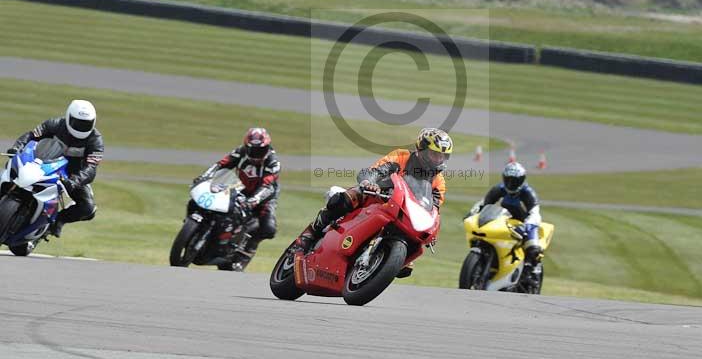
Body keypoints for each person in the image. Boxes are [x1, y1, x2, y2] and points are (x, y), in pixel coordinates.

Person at [292, 127, 453, 278]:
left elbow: (434, 209)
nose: (438, 160)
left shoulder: (439, 182)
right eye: (434, 154)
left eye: (442, 156)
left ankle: (381, 261)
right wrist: (370, 182)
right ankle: (310, 234)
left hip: (405, 213)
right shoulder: (402, 156)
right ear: (421, 150)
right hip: (377, 195)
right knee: (345, 199)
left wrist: (432, 231)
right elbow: (376, 170)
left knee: (408, 261)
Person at [6, 100, 104, 238]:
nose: (81, 127)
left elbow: (91, 168)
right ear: (68, 117)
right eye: (77, 122)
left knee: (88, 208)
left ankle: (58, 220)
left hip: (71, 175)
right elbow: (31, 135)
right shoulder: (55, 124)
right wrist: (17, 147)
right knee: (10, 170)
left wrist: (74, 181)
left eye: (85, 124)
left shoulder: (95, 140)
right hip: (43, 162)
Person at [194, 127, 281, 271]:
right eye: (252, 149)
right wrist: (206, 176)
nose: (255, 153)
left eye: (259, 150)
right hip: (239, 187)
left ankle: (245, 252)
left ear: (267, 147)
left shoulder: (273, 162)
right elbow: (221, 164)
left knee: (268, 229)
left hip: (264, 196)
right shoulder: (240, 152)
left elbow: (268, 185)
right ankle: (203, 230)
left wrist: (253, 201)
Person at [474, 161, 542, 276]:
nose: (511, 184)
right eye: (508, 180)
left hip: (524, 224)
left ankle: (534, 268)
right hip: (505, 221)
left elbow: (535, 213)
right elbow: (483, 204)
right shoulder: (499, 189)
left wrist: (526, 226)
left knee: (532, 248)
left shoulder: (528, 193)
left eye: (515, 181)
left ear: (522, 180)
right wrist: (473, 213)